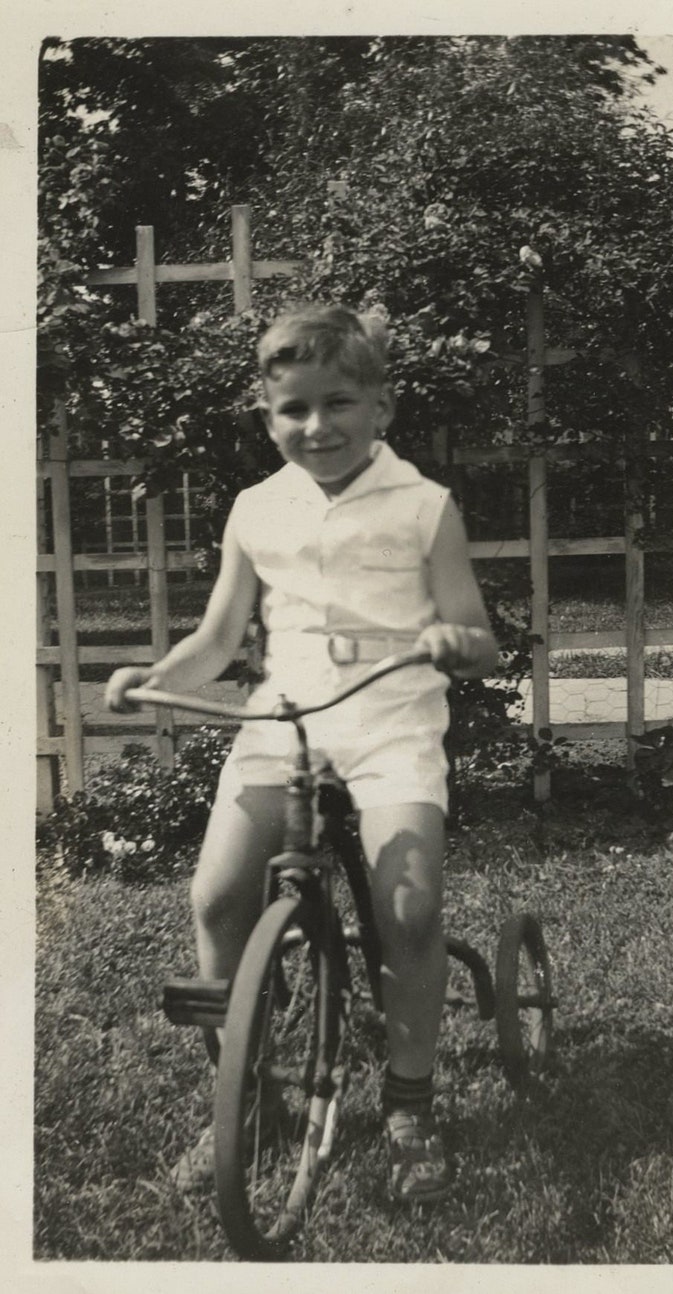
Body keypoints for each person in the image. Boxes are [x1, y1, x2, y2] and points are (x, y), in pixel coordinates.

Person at [106, 303, 499, 1204]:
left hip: (391, 721)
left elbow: (478, 637)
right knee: (217, 896)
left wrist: (454, 642)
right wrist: (153, 675)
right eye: (294, 409)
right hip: (284, 723)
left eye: (339, 403)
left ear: (381, 408)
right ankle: (249, 1099)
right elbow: (218, 639)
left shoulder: (424, 506)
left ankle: (409, 1106)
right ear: (267, 413)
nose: (317, 426)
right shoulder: (257, 509)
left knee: (409, 910)